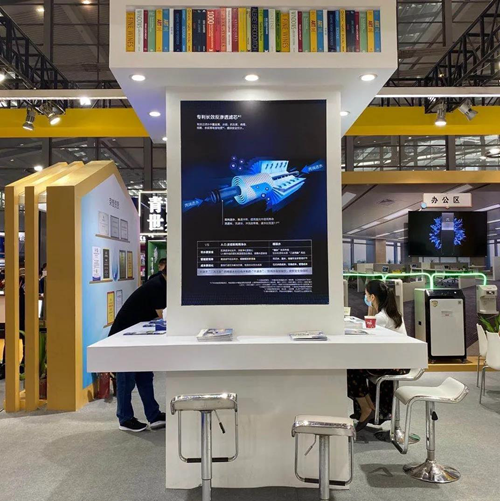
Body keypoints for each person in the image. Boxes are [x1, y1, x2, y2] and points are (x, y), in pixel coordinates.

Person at [109, 267, 167, 432]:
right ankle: (125, 419)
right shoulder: (157, 286)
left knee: (145, 376)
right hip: (124, 336)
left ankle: (154, 415)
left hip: (138, 336)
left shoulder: (161, 284)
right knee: (126, 379)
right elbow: (162, 315)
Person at [347, 280, 408, 432]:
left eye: (366, 295)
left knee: (351, 371)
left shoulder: (381, 318)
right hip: (400, 361)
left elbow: (369, 340)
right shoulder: (392, 314)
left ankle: (366, 408)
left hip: (393, 365)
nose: (365, 297)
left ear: (372, 297)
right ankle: (369, 408)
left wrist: (370, 313)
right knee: (354, 369)